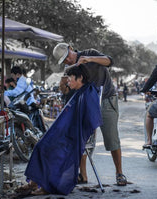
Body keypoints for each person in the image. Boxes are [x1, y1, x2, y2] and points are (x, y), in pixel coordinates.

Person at [18, 66, 102, 195]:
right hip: (67, 133)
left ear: (80, 78)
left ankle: (46, 186)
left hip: (75, 136)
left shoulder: (89, 92)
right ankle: (34, 183)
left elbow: (92, 119)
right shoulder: (79, 92)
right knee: (41, 146)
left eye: (70, 79)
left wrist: (75, 131)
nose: (68, 82)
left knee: (47, 149)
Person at [52, 42, 127, 186]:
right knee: (82, 137)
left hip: (106, 99)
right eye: (64, 60)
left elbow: (109, 61)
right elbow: (68, 92)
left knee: (111, 137)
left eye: (68, 56)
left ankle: (119, 173)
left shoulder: (90, 53)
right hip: (86, 103)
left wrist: (89, 59)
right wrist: (64, 86)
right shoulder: (69, 69)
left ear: (71, 49)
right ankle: (83, 175)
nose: (67, 61)